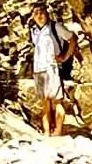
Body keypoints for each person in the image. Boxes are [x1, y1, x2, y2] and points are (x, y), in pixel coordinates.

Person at [29, 8, 69, 140]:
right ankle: (46, 133)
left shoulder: (55, 27)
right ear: (32, 16)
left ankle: (58, 131)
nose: (39, 16)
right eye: (36, 13)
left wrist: (64, 56)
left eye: (42, 13)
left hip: (52, 68)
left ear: (47, 14)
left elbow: (72, 38)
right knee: (45, 103)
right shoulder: (33, 31)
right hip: (39, 70)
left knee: (57, 101)